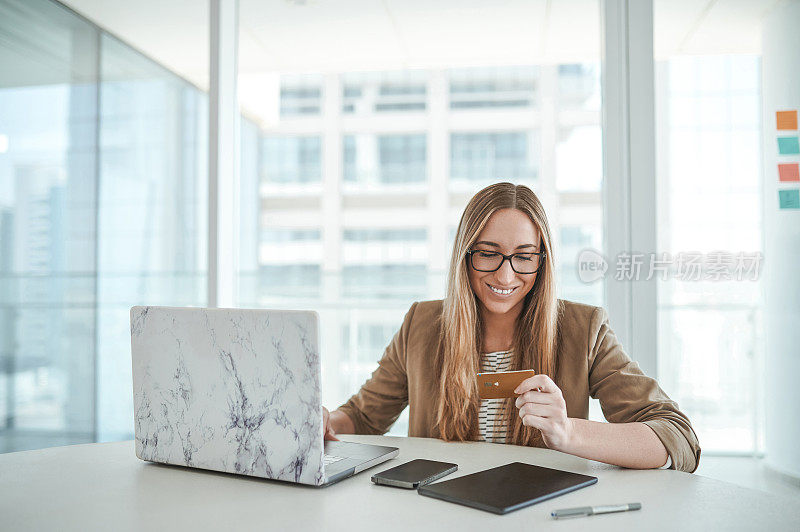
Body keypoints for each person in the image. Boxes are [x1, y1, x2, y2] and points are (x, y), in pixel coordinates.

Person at [323, 182, 701, 473]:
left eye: (523, 257)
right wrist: (323, 421)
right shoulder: (422, 323)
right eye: (488, 254)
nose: (505, 274)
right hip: (439, 515)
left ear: (542, 260)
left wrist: (567, 432)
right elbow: (363, 417)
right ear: (464, 256)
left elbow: (677, 436)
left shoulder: (584, 329)